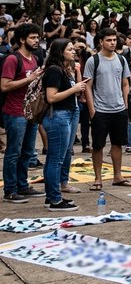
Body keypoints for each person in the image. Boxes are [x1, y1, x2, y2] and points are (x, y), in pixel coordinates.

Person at [83, 28, 131, 191]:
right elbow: (87, 86)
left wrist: (126, 106)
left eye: (114, 40)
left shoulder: (121, 60)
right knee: (98, 145)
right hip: (100, 110)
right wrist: (92, 110)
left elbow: (125, 84)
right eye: (108, 40)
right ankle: (98, 178)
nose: (112, 43)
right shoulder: (93, 61)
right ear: (101, 42)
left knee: (118, 144)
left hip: (119, 109)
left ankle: (117, 176)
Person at [2, 23, 46, 203]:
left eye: (37, 37)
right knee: (14, 152)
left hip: (30, 112)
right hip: (15, 112)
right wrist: (29, 79)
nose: (36, 41)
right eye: (33, 38)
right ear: (22, 39)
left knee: (28, 152)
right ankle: (10, 190)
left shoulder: (34, 59)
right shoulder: (13, 59)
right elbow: (4, 85)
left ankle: (23, 185)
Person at [41, 38, 86, 211]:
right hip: (58, 117)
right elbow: (51, 97)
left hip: (66, 114)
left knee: (58, 157)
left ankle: (53, 196)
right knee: (56, 159)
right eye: (70, 49)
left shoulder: (65, 70)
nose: (74, 51)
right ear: (60, 52)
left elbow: (75, 90)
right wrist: (74, 89)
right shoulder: (54, 70)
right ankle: (54, 199)